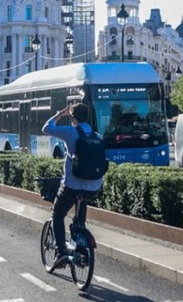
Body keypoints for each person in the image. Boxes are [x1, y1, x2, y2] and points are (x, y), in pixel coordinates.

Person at [42, 103, 104, 266]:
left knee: (57, 214)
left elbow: (46, 128)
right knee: (81, 203)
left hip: (72, 184)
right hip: (94, 186)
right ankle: (80, 233)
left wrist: (60, 114)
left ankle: (61, 251)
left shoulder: (71, 132)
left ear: (73, 118)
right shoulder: (97, 136)